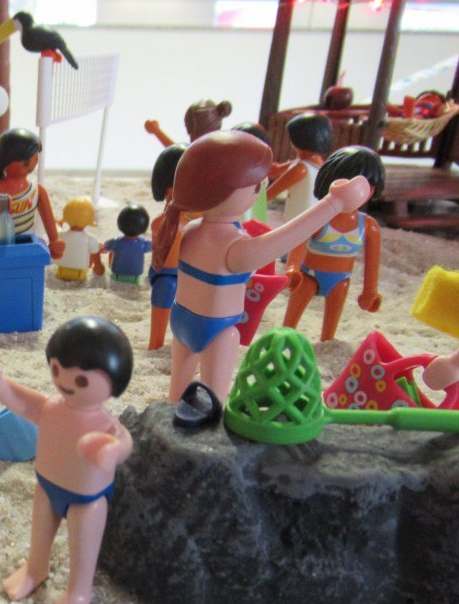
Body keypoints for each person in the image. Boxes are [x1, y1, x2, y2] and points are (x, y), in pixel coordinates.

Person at [151, 130, 371, 403]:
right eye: (256, 188)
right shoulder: (233, 247)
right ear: (221, 191)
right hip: (218, 330)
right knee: (215, 399)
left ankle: (173, 406)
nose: (260, 192)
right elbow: (285, 238)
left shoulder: (191, 230)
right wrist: (333, 203)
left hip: (182, 319)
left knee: (176, 394)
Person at [0, 316, 133, 604]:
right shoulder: (51, 406)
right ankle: (35, 568)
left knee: (82, 557)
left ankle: (78, 594)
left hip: (87, 500)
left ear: (114, 382)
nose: (65, 382)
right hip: (46, 486)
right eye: (56, 369)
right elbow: (23, 402)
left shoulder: (104, 423)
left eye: (81, 380)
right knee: (39, 536)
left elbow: (124, 442)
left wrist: (110, 451)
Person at [282, 146, 384, 341]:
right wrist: (293, 267)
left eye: (367, 187)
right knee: (290, 322)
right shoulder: (320, 218)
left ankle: (327, 341)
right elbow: (300, 240)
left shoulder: (368, 226)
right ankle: (285, 336)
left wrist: (370, 292)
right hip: (309, 275)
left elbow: (372, 263)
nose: (357, 193)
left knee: (330, 328)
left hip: (340, 280)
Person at [0, 128, 64, 261]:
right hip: (0, 246)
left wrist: (54, 240)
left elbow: (47, 217)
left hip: (27, 245)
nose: (32, 164)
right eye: (25, 162)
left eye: (35, 160)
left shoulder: (36, 191)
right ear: (5, 161)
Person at [147, 143, 188, 351]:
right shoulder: (163, 221)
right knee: (164, 291)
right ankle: (156, 342)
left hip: (189, 272)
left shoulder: (197, 216)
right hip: (167, 273)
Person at [267, 112, 333, 223]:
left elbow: (269, 194)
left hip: (297, 221)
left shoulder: (301, 169)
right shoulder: (320, 164)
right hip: (309, 220)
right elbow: (274, 171)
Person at [55, 197, 102, 282]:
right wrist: (99, 268)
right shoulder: (90, 239)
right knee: (93, 250)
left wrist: (58, 225)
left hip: (60, 271)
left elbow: (56, 231)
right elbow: (97, 264)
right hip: (80, 274)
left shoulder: (60, 236)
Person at [104, 203, 151, 284]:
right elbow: (155, 246)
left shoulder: (116, 242)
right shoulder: (143, 244)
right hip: (135, 275)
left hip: (117, 273)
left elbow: (105, 246)